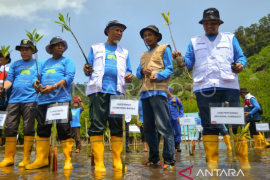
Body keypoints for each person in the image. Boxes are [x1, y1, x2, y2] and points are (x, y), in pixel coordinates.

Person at [172, 8, 247, 169]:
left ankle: (243, 161)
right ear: (202, 25)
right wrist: (180, 60)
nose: (209, 26)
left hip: (229, 85)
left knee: (236, 123)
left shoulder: (230, 38)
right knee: (208, 124)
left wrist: (241, 64)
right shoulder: (194, 41)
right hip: (204, 87)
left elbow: (241, 57)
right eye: (206, 23)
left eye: (213, 23)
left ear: (219, 23)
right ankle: (212, 163)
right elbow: (189, 62)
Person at [83, 20, 132, 172]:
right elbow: (87, 69)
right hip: (98, 90)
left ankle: (117, 160)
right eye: (116, 30)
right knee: (97, 125)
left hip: (117, 92)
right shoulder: (95, 48)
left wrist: (129, 76)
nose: (119, 33)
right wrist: (86, 69)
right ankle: (99, 162)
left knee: (117, 127)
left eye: (121, 31)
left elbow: (128, 71)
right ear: (107, 31)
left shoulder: (125, 52)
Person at [26, 36, 75, 170]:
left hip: (61, 100)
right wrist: (36, 84)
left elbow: (69, 77)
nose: (60, 46)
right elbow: (35, 77)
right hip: (43, 101)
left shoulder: (68, 61)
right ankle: (41, 160)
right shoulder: (43, 63)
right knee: (42, 129)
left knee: (64, 129)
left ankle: (67, 161)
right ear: (51, 48)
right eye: (57, 45)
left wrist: (53, 87)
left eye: (62, 44)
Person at [136, 25, 175, 170]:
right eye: (145, 35)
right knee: (148, 129)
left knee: (164, 127)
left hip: (158, 92)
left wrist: (157, 76)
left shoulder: (165, 48)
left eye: (150, 35)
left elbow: (170, 69)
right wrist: (142, 70)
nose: (147, 38)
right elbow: (137, 74)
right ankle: (153, 159)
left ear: (157, 36)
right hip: (145, 93)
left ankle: (169, 160)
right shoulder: (143, 55)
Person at [0, 39, 39, 167]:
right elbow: (9, 79)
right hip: (14, 100)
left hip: (31, 99)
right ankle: (8, 158)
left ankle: (26, 158)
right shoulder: (15, 64)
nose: (24, 52)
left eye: (27, 49)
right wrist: (4, 88)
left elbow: (39, 79)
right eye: (22, 49)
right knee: (9, 128)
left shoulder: (38, 63)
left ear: (33, 50)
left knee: (28, 128)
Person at [0, 50, 12, 146]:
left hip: (6, 103)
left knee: (8, 126)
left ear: (7, 59)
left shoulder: (9, 72)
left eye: (1, 56)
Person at [167, 86, 183, 152]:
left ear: (170, 91)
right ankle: (171, 147)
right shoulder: (164, 99)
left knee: (178, 131)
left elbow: (181, 107)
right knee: (170, 132)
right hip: (168, 118)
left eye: (166, 91)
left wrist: (180, 116)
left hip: (176, 118)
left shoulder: (176, 99)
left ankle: (178, 146)